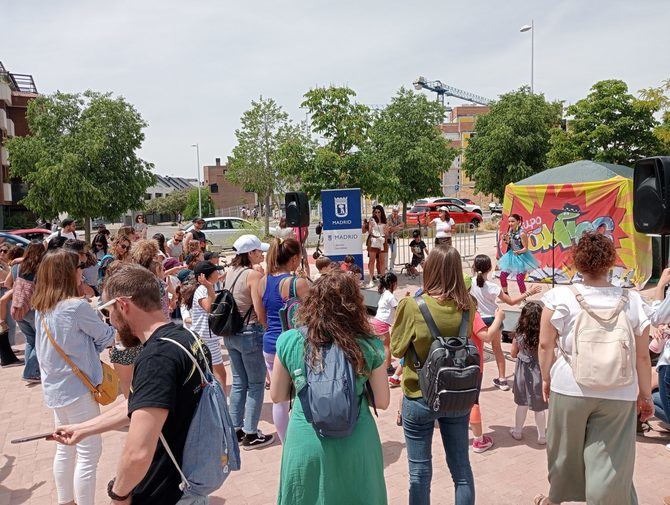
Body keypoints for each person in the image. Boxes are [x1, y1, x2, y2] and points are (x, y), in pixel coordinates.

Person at [53, 263, 213, 504]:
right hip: (191, 479)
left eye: (107, 311)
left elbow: (137, 453)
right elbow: (144, 405)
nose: (110, 321)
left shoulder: (156, 358)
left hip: (166, 491)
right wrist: (84, 428)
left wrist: (118, 494)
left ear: (123, 305)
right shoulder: (187, 337)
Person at [534, 232, 652, 505]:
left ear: (577, 262)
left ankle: (557, 497)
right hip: (620, 392)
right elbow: (643, 357)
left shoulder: (559, 297)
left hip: (570, 386)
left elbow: (544, 345)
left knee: (564, 451)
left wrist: (546, 378)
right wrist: (645, 395)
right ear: (611, 262)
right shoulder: (632, 300)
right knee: (611, 459)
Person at [270, 269, 390, 505]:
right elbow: (383, 402)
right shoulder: (369, 344)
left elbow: (277, 396)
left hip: (306, 438)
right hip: (356, 440)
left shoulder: (289, 340)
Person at [391, 245, 486, 505]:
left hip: (419, 395)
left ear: (429, 269)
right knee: (462, 471)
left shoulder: (412, 305)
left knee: (419, 473)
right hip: (456, 395)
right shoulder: (469, 307)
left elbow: (397, 347)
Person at [33, 249, 116, 505]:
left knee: (65, 448)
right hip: (79, 388)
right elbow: (106, 336)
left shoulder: (42, 307)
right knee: (88, 452)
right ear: (68, 273)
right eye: (79, 267)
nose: (82, 271)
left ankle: (65, 500)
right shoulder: (75, 306)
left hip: (57, 388)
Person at [222, 234, 273, 449]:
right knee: (256, 384)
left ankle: (236, 428)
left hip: (231, 333)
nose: (262, 254)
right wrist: (266, 326)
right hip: (249, 332)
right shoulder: (252, 275)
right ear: (250, 253)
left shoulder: (229, 272)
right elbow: (258, 306)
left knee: (239, 381)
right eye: (259, 251)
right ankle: (251, 433)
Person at [259, 237, 310, 443]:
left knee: (278, 398)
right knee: (302, 394)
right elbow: (314, 313)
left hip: (270, 345)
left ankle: (286, 442)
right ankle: (305, 439)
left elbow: (261, 317)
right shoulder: (297, 283)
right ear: (295, 258)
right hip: (294, 346)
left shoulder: (263, 281)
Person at [470, 254, 541, 391]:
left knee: (476, 351)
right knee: (498, 350)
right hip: (494, 319)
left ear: (474, 267)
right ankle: (502, 379)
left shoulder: (469, 284)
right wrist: (529, 293)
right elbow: (512, 302)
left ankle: (472, 380)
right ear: (490, 268)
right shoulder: (493, 287)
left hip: (477, 320)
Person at [509, 301, 548, 443]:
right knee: (539, 407)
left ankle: (518, 431)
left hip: (522, 372)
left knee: (522, 403)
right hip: (538, 371)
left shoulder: (519, 334)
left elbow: (513, 353)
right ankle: (542, 436)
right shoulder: (543, 335)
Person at [5, 243, 45, 380]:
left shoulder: (16, 266)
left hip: (17, 307)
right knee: (39, 340)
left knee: (30, 341)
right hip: (32, 309)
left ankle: (30, 371)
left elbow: (7, 284)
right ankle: (31, 372)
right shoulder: (40, 268)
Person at [188, 260, 227, 388]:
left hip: (207, 338)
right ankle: (221, 405)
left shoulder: (205, 289)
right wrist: (210, 287)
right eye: (216, 270)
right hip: (206, 339)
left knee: (210, 374)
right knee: (220, 374)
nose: (218, 272)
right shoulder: (202, 290)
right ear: (207, 275)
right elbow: (209, 308)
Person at [498, 213, 539, 295]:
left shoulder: (522, 233)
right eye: (509, 222)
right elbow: (511, 244)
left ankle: (523, 298)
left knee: (519, 279)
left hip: (521, 258)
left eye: (512, 221)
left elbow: (525, 248)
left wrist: (518, 252)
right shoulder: (510, 231)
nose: (510, 224)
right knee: (502, 276)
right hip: (510, 256)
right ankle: (506, 295)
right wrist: (506, 240)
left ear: (518, 222)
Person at [370, 272, 398, 375]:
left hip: (376, 322)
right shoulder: (390, 296)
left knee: (378, 346)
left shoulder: (384, 294)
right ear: (393, 284)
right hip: (382, 324)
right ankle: (388, 368)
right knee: (386, 346)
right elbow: (398, 309)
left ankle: (378, 366)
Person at [364, 205, 387, 287]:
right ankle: (371, 280)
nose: (377, 213)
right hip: (373, 241)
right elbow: (369, 232)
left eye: (379, 212)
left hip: (382, 241)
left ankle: (383, 280)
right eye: (375, 212)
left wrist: (387, 229)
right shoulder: (372, 220)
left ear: (381, 212)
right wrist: (371, 225)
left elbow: (386, 232)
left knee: (382, 261)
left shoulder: (384, 220)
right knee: (372, 261)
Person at [386, 205, 404, 271]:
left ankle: (391, 266)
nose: (395, 212)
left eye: (396, 211)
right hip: (387, 237)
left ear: (398, 211)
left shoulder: (399, 217)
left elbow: (402, 225)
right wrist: (397, 227)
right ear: (392, 211)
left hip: (394, 237)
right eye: (394, 211)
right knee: (386, 253)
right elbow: (389, 228)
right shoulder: (389, 217)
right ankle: (385, 267)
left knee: (394, 253)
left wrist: (396, 227)